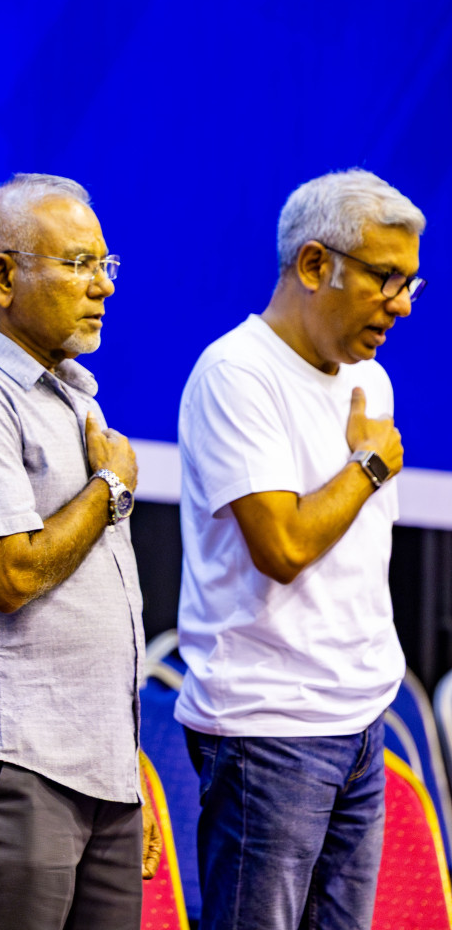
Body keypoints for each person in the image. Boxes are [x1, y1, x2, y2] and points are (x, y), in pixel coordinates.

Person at [0, 174, 159, 930]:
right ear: (4, 276)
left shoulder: (78, 400)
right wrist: (111, 488)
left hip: (99, 765)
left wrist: (126, 768)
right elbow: (9, 574)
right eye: (79, 264)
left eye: (106, 267)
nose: (102, 289)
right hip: (20, 757)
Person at [176, 169, 424, 929]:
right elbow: (280, 547)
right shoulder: (236, 374)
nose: (404, 305)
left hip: (360, 720)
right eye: (387, 279)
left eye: (414, 282)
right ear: (316, 265)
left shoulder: (369, 384)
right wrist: (372, 465)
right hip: (269, 729)